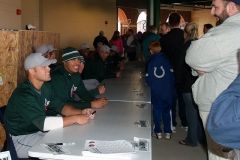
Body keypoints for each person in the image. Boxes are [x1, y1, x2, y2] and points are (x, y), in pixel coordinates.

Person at [4, 53, 95, 158]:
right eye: (44, 67)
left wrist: (81, 112)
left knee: (70, 141)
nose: (48, 69)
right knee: (63, 152)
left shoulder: (46, 87)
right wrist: (75, 118)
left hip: (37, 132)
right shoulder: (24, 95)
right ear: (32, 71)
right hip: (21, 139)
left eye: (48, 66)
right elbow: (43, 124)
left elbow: (61, 107)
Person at [186, 0, 240, 159]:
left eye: (216, 7)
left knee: (219, 155)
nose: (212, 12)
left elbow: (191, 57)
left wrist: (204, 69)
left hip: (219, 106)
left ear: (230, 7)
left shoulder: (227, 31)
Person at [50, 47, 108, 112]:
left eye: (78, 59)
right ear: (64, 62)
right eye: (73, 60)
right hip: (52, 114)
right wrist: (91, 104)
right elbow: (63, 104)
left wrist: (95, 100)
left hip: (66, 110)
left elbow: (84, 94)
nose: (77, 63)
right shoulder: (57, 77)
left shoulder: (75, 75)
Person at [178, 22, 205, 147]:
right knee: (198, 114)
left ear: (185, 33)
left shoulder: (185, 47)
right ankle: (199, 137)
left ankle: (192, 139)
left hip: (187, 85)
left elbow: (181, 67)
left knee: (191, 114)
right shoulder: (199, 44)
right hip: (199, 84)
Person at [160, 12, 188, 132]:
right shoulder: (185, 37)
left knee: (171, 98)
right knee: (182, 99)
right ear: (179, 22)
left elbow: (162, 57)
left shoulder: (164, 39)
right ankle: (185, 122)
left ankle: (172, 123)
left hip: (168, 72)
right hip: (183, 71)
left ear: (170, 23)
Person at [145, 41, 175, 140]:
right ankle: (167, 132)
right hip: (167, 91)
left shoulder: (150, 62)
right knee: (167, 111)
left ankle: (158, 132)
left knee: (157, 111)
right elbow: (171, 76)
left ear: (151, 50)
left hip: (156, 91)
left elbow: (148, 79)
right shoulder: (167, 60)